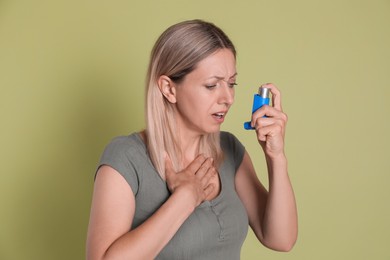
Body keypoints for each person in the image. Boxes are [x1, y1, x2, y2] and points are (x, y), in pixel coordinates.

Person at [86, 19, 298, 260]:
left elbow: (280, 239)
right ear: (169, 89)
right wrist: (185, 199)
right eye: (211, 85)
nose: (227, 97)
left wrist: (276, 156)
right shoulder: (126, 158)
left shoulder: (229, 149)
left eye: (231, 84)